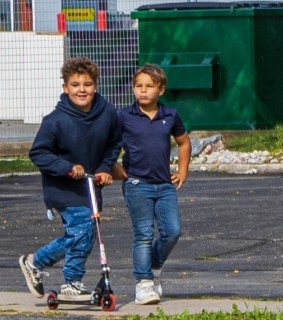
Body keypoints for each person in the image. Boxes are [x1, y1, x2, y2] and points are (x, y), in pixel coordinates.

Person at [16, 59, 125, 306]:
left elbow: (113, 144)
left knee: (82, 235)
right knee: (82, 231)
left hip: (90, 186)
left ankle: (35, 262)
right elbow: (39, 153)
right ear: (65, 88)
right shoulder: (55, 120)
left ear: (96, 85)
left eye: (87, 84)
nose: (82, 89)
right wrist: (67, 168)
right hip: (63, 188)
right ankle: (72, 282)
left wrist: (106, 168)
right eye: (75, 85)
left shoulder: (107, 113)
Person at [117, 63, 190, 307]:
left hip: (164, 185)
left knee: (172, 231)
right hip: (137, 184)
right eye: (138, 86)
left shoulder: (170, 116)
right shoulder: (124, 117)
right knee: (144, 234)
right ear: (133, 88)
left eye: (149, 86)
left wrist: (182, 171)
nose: (143, 91)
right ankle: (143, 283)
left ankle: (154, 266)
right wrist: (114, 169)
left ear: (161, 89)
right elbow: (111, 147)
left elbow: (183, 143)